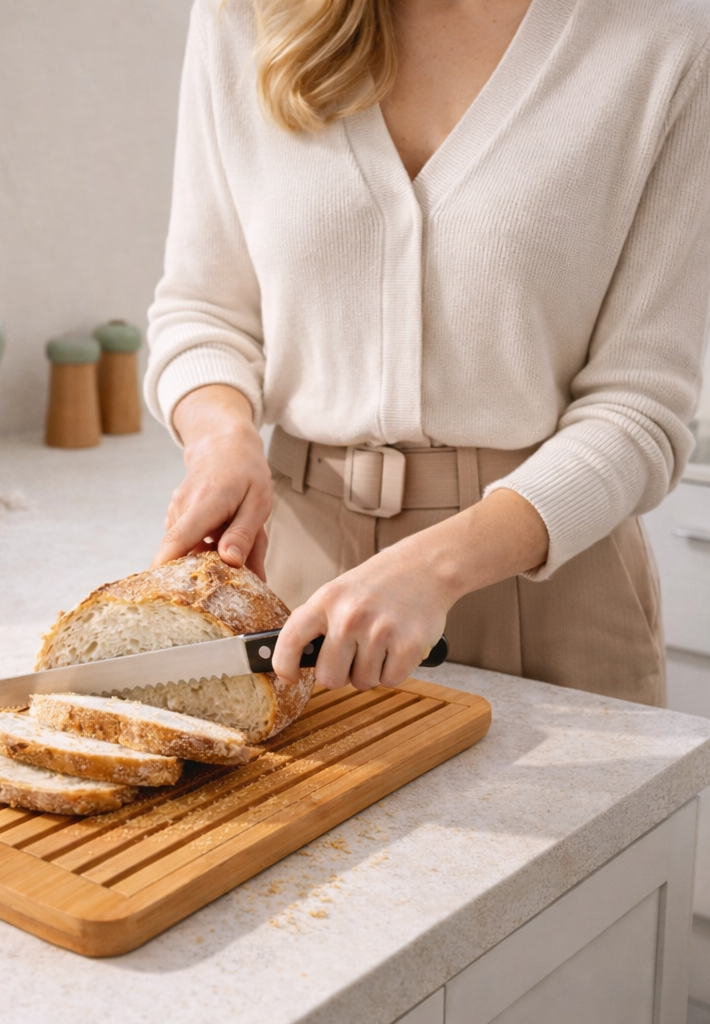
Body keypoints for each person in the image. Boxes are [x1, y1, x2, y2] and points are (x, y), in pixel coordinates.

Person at [144, 0, 710, 706]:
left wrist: (439, 567)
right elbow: (204, 308)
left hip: (553, 586)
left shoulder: (667, 37)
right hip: (297, 577)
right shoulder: (247, 13)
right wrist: (220, 439)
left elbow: (641, 409)